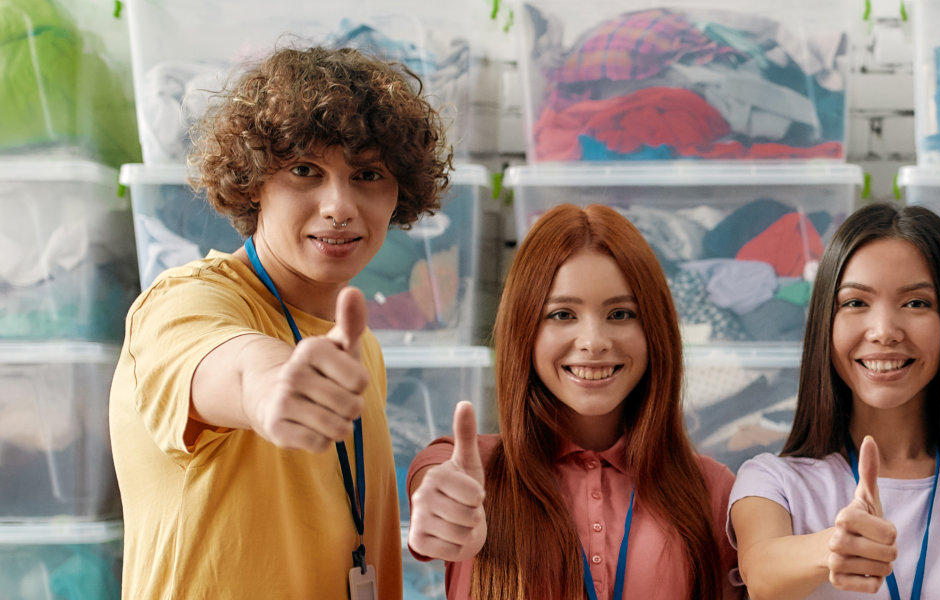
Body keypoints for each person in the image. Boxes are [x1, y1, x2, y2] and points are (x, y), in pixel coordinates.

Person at [109, 46, 449, 598]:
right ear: (253, 181)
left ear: (399, 195)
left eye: (367, 174)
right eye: (304, 170)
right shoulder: (182, 302)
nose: (339, 205)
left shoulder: (358, 349)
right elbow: (236, 366)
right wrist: (271, 387)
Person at [405, 203, 739, 599]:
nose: (594, 341)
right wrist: (442, 513)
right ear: (523, 330)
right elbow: (434, 490)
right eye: (563, 315)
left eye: (620, 313)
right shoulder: (464, 467)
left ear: (655, 329)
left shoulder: (714, 490)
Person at [729, 202, 940, 599]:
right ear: (826, 321)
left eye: (916, 303)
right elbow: (761, 572)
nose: (884, 331)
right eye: (856, 302)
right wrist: (832, 547)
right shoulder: (772, 481)